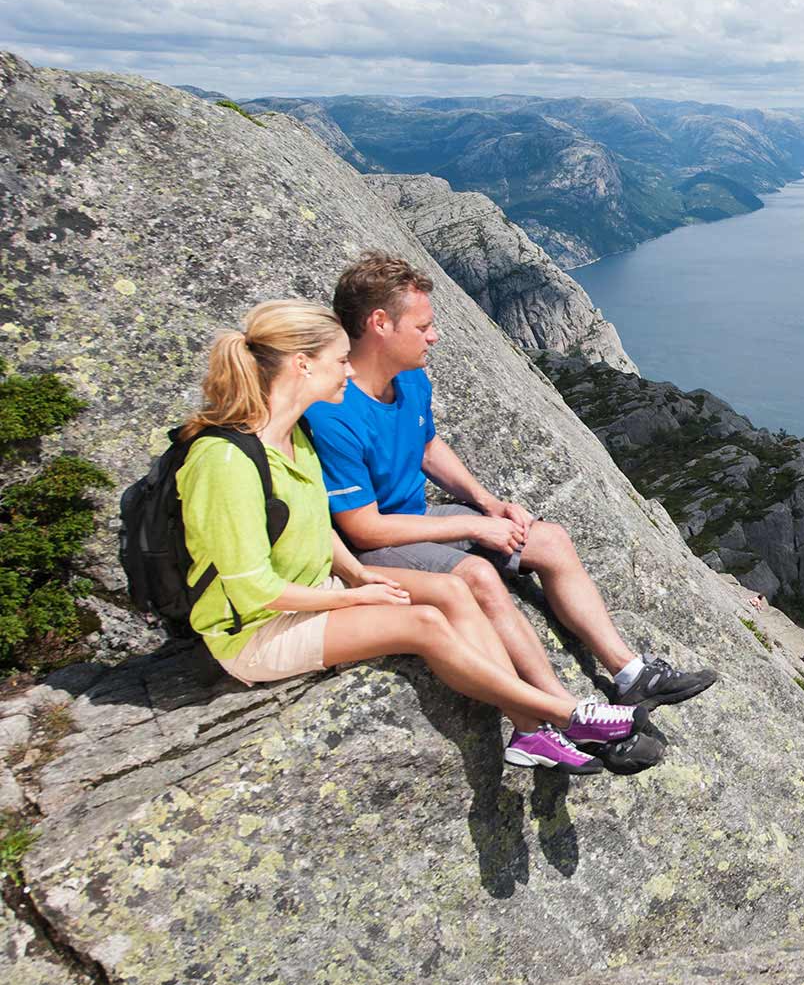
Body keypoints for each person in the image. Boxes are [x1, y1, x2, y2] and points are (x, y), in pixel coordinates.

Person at [175, 300, 642, 776]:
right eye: (339, 361)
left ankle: (529, 733)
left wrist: (357, 575)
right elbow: (252, 589)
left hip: (316, 591)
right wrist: (354, 600)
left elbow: (317, 527)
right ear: (302, 365)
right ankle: (563, 715)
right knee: (424, 624)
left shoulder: (291, 438)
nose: (346, 372)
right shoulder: (225, 462)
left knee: (454, 588)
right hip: (257, 632)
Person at [307, 253, 712, 713]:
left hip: (417, 519)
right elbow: (365, 530)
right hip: (376, 546)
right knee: (480, 575)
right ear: (380, 323)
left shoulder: (409, 378)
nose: (434, 336)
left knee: (551, 541)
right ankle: (563, 712)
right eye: (422, 327)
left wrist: (488, 503)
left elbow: (427, 448)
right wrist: (475, 528)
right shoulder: (333, 411)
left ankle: (629, 674)